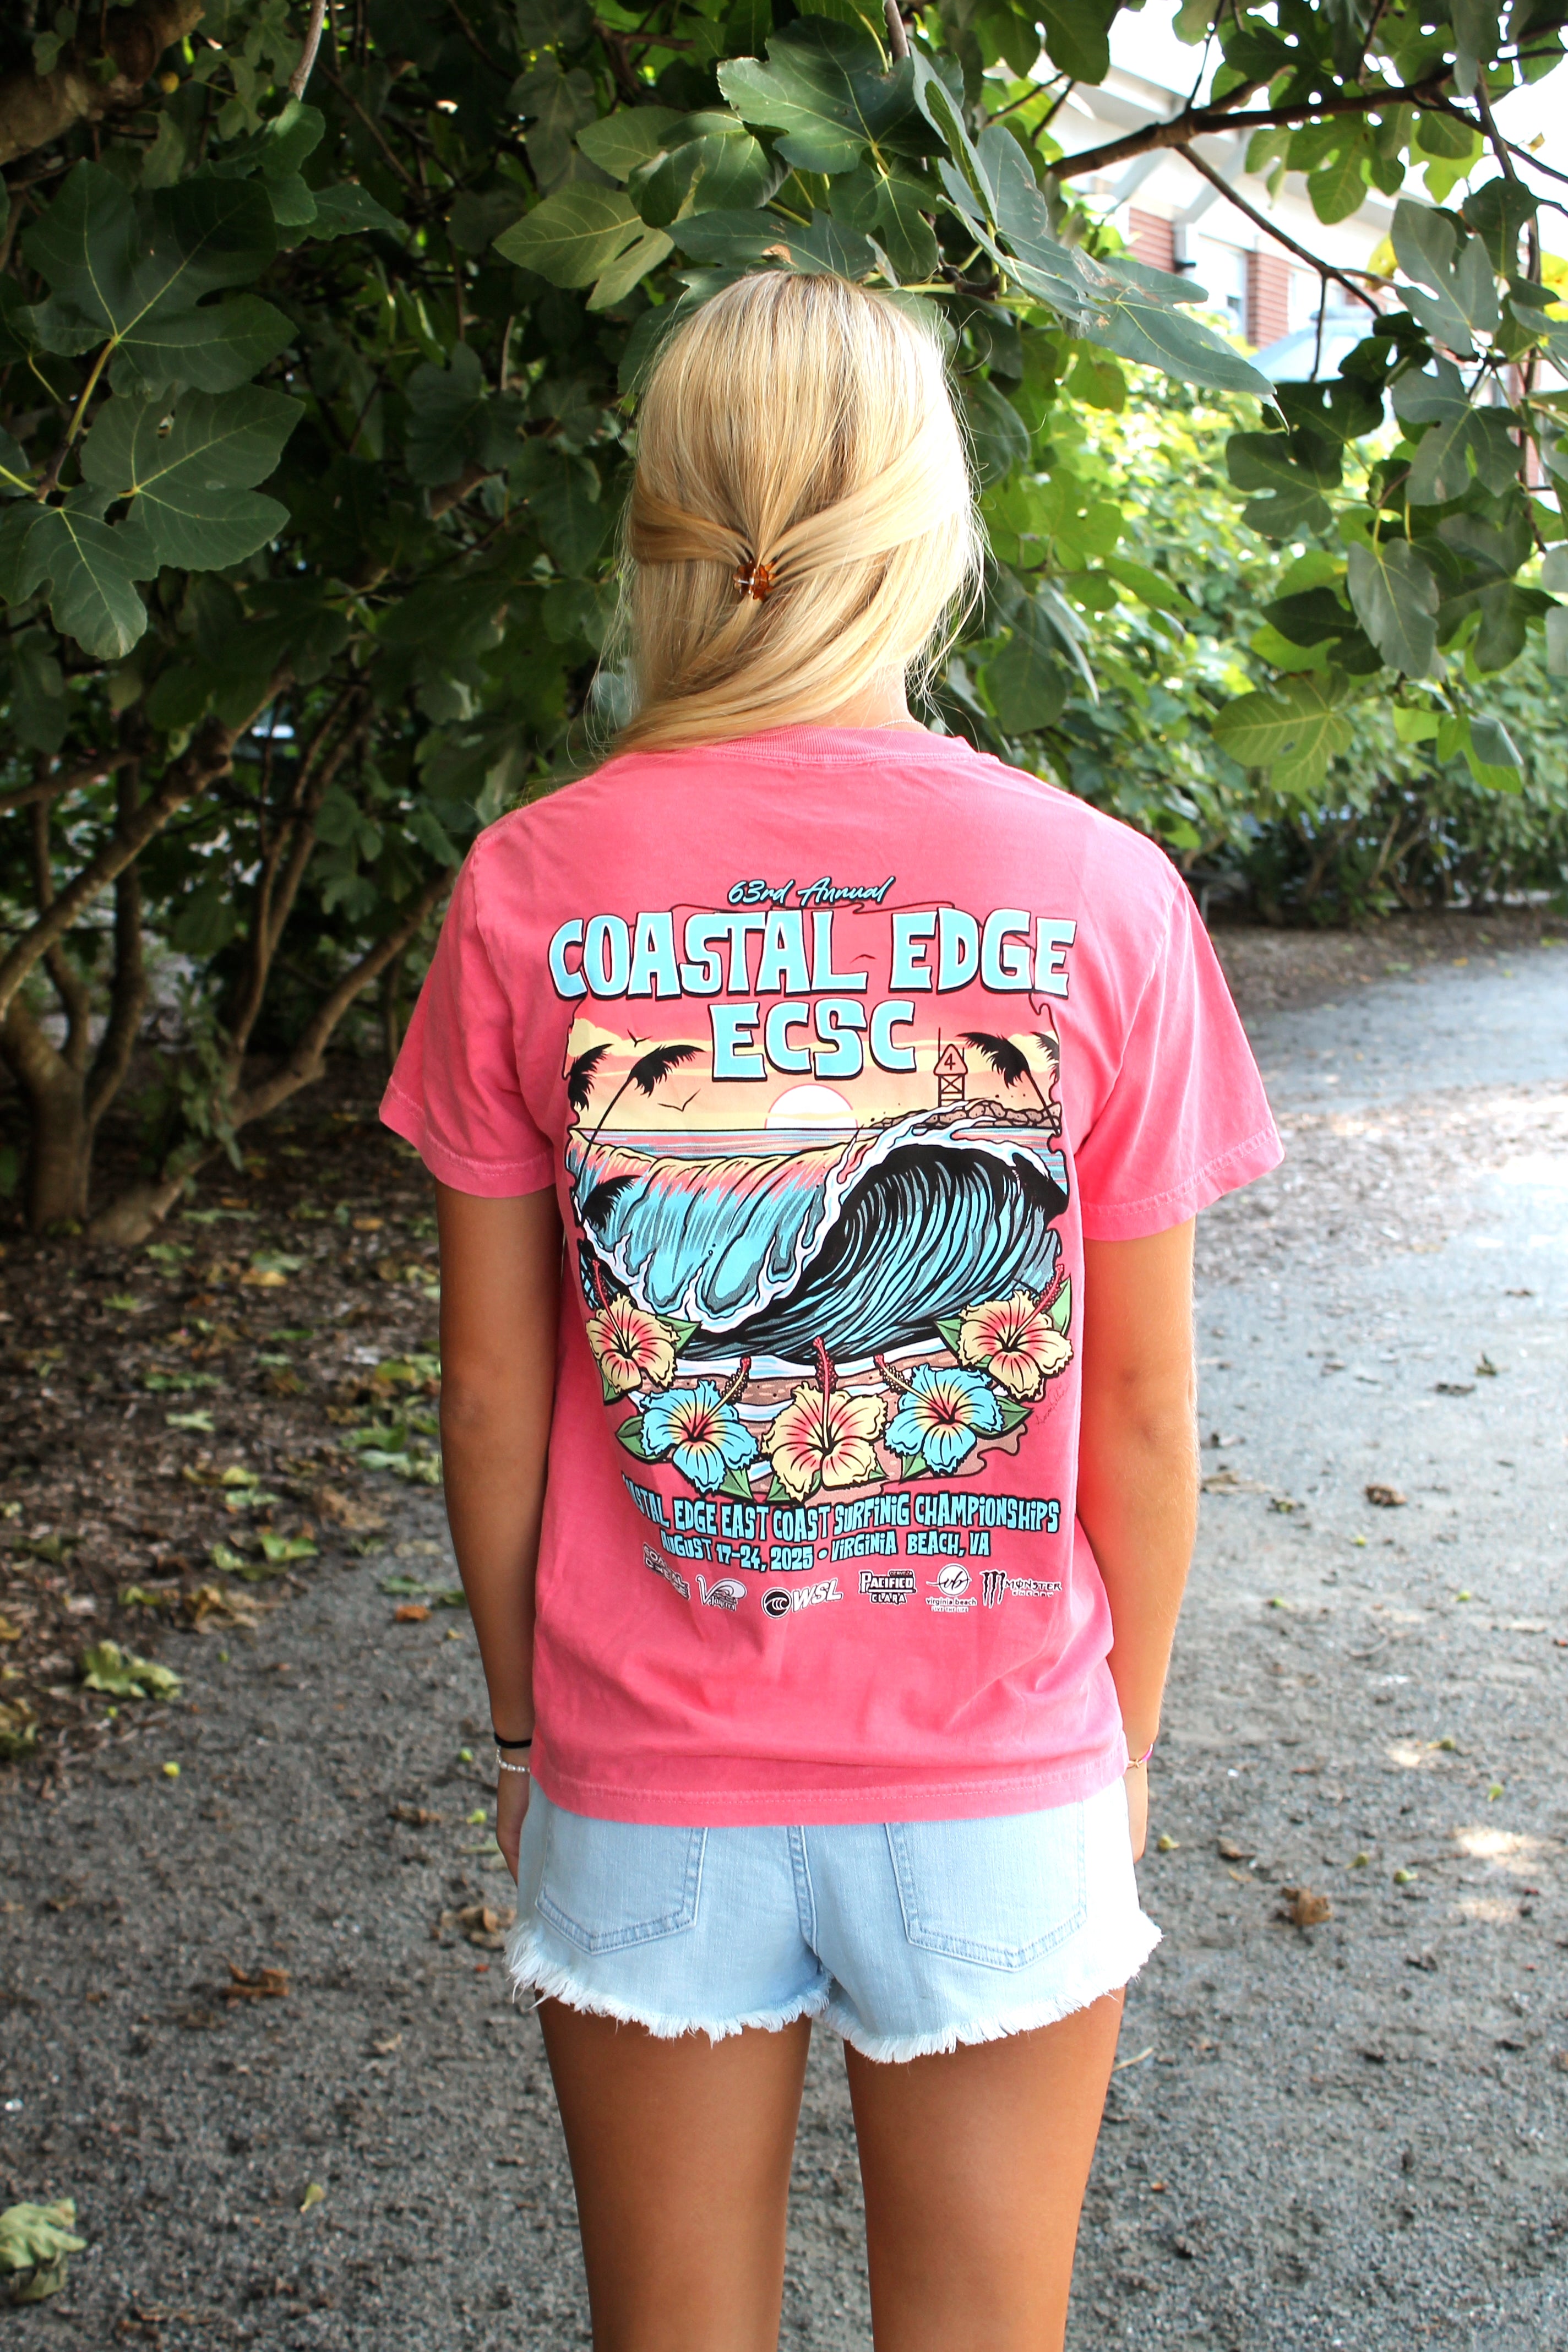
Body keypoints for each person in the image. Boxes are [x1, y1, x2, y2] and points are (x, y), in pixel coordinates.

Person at [382, 270, 1281, 2352]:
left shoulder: (531, 884)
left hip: (647, 1774)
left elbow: (493, 1392)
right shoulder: (1101, 890)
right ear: (927, 528)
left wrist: (522, 1731)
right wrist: (1120, 1747)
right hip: (998, 1770)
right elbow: (1146, 1418)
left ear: (661, 525)